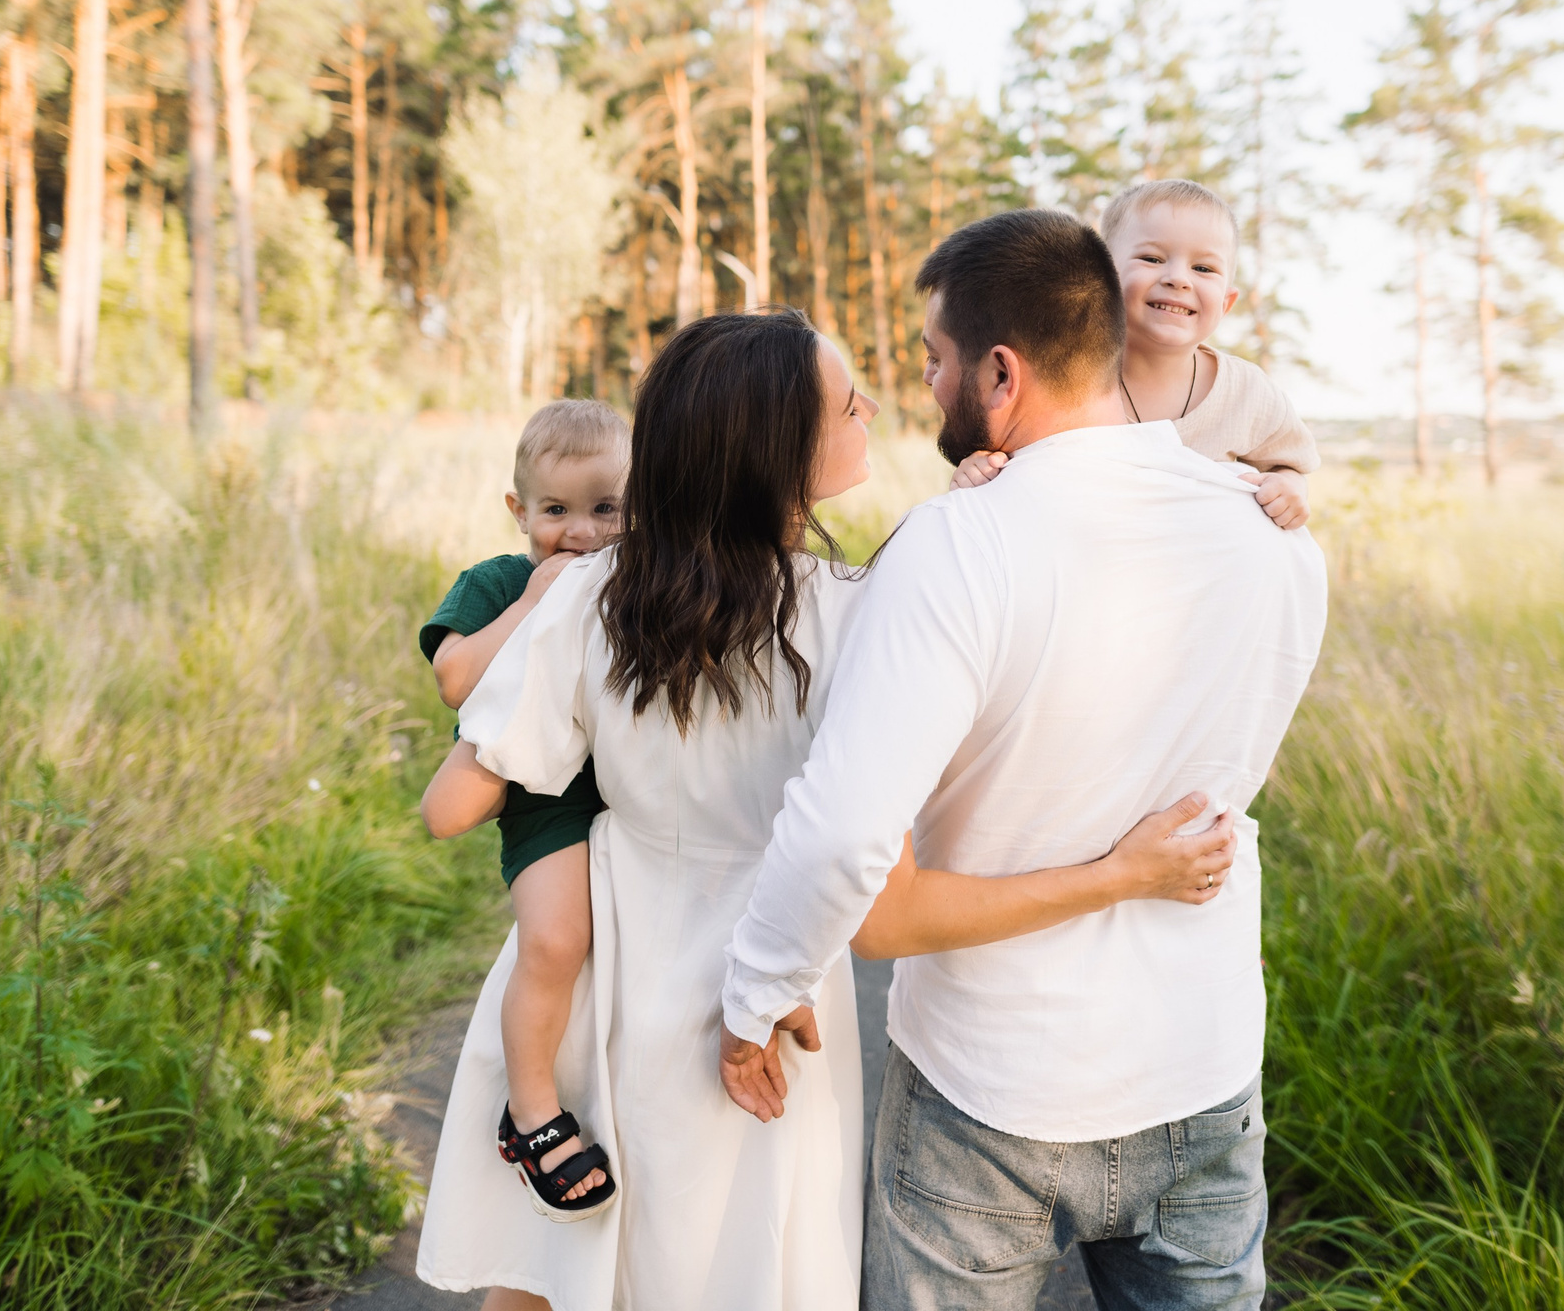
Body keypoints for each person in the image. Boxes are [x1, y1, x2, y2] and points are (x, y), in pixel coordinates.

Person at [416, 309, 1235, 1311]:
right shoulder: (857, 608)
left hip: (612, 952)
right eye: (849, 405)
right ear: (780, 454)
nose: (873, 408)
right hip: (771, 962)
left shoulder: (590, 593)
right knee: (742, 1256)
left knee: (577, 1261)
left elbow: (458, 801)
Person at [720, 211, 1329, 1311]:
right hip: (1199, 1068)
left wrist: (757, 992)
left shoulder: (960, 541)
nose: (924, 385)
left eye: (934, 359)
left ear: (1001, 374)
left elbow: (847, 838)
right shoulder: (1279, 546)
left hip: (989, 1091)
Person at [417, 399, 629, 1216]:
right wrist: (531, 604)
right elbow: (454, 678)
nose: (580, 533)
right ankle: (532, 1110)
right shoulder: (499, 582)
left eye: (605, 508)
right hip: (547, 799)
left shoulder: (637, 573)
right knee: (555, 939)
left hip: (630, 788)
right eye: (555, 511)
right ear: (519, 510)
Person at [948, 178, 1318, 530]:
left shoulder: (1247, 392)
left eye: (1203, 268)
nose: (1178, 278)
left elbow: (1290, 464)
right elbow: (1012, 447)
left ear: (1226, 303)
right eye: (1152, 259)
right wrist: (979, 467)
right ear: (1104, 280)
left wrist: (1289, 487)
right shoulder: (1067, 379)